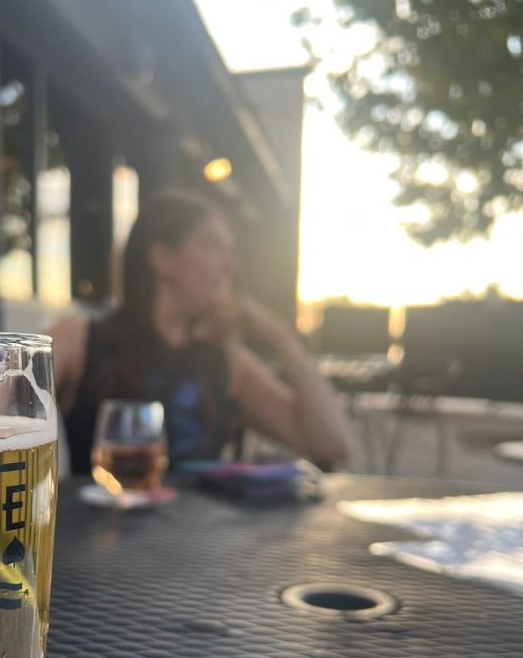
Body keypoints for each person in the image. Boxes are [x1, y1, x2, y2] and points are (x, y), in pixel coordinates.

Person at [51, 191, 350, 473]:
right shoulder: (80, 339)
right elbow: (6, 412)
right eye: (214, 246)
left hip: (200, 529)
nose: (230, 266)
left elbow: (331, 444)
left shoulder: (224, 360)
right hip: (99, 526)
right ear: (163, 258)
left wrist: (281, 338)